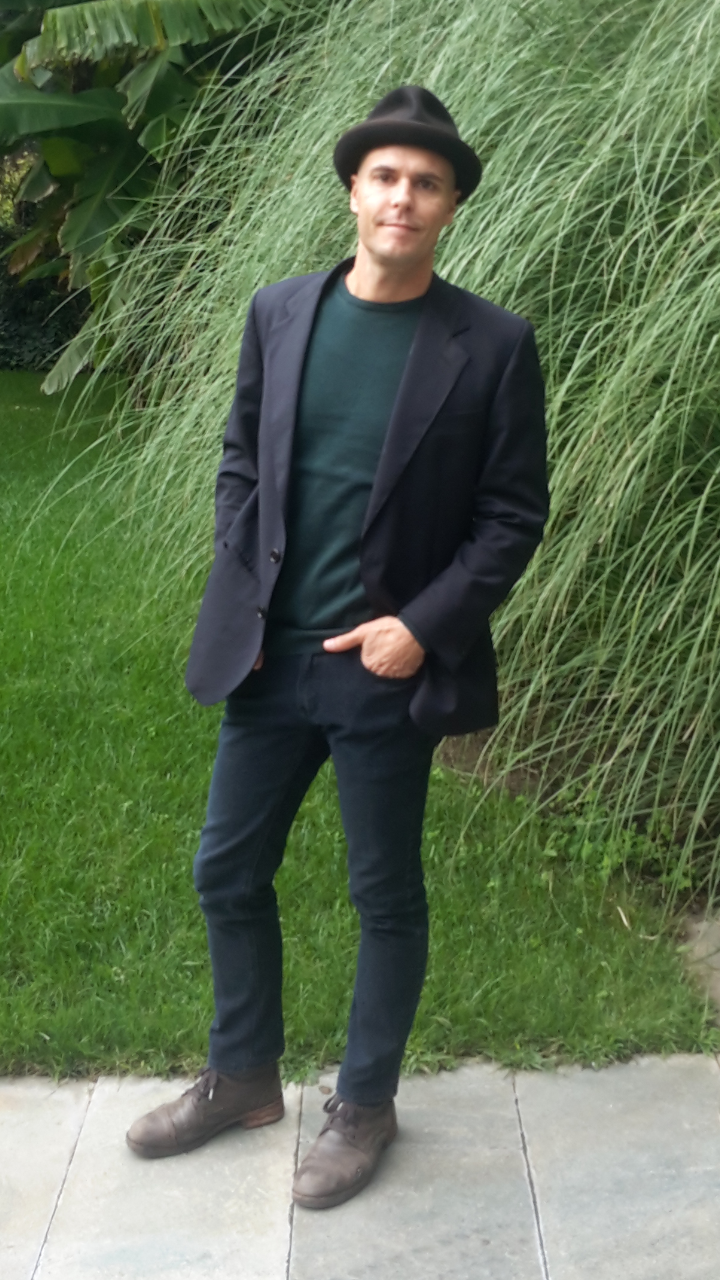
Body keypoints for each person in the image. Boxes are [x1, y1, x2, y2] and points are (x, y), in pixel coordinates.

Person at [126, 86, 549, 1210]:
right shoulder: (279, 312)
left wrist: (422, 627)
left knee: (383, 892)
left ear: (450, 206)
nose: (402, 197)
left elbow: (512, 516)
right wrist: (246, 566)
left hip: (382, 669)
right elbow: (241, 457)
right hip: (268, 660)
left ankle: (365, 1102)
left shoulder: (492, 344)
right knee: (227, 868)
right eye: (385, 177)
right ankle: (242, 1075)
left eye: (426, 183)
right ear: (353, 191)